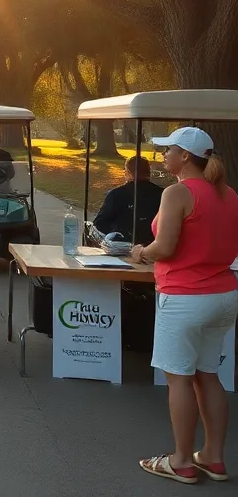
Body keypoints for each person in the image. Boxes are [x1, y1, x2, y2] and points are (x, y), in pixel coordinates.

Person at [131, 127, 238, 484]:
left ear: (185, 157)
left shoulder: (177, 192)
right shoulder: (229, 194)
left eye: (168, 150)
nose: (162, 155)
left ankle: (181, 460)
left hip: (185, 296)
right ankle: (213, 456)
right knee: (208, 374)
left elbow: (165, 247)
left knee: (179, 379)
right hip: (223, 295)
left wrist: (141, 252)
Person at [93, 155, 162, 245]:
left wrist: (118, 232)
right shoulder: (162, 193)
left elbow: (100, 223)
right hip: (154, 244)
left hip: (123, 245)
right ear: (148, 172)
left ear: (128, 172)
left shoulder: (117, 194)